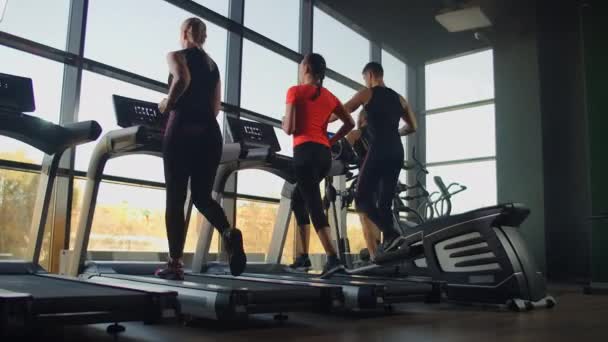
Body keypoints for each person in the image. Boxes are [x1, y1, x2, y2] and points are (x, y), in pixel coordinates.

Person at [156, 18, 246, 280]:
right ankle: (228, 233)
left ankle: (174, 264)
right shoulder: (213, 65)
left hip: (183, 128)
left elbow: (182, 78)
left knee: (175, 196)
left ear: (184, 32)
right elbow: (216, 107)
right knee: (202, 197)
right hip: (209, 133)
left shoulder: (176, 55)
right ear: (204, 36)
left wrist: (168, 104)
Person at [282, 53, 355, 274]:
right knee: (298, 199)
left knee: (313, 203)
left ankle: (333, 257)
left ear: (305, 68)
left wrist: (284, 121)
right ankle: (303, 257)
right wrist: (330, 140)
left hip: (304, 153)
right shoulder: (330, 96)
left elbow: (289, 129)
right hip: (324, 155)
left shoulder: (294, 91)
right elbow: (349, 123)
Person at [343, 62, 417, 256]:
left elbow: (346, 109)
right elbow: (412, 127)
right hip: (397, 151)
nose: (365, 82)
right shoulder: (400, 98)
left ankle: (391, 236)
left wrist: (324, 118)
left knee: (361, 201)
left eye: (365, 78)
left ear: (370, 75)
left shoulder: (368, 93)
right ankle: (390, 244)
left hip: (380, 151)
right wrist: (394, 134)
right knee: (384, 205)